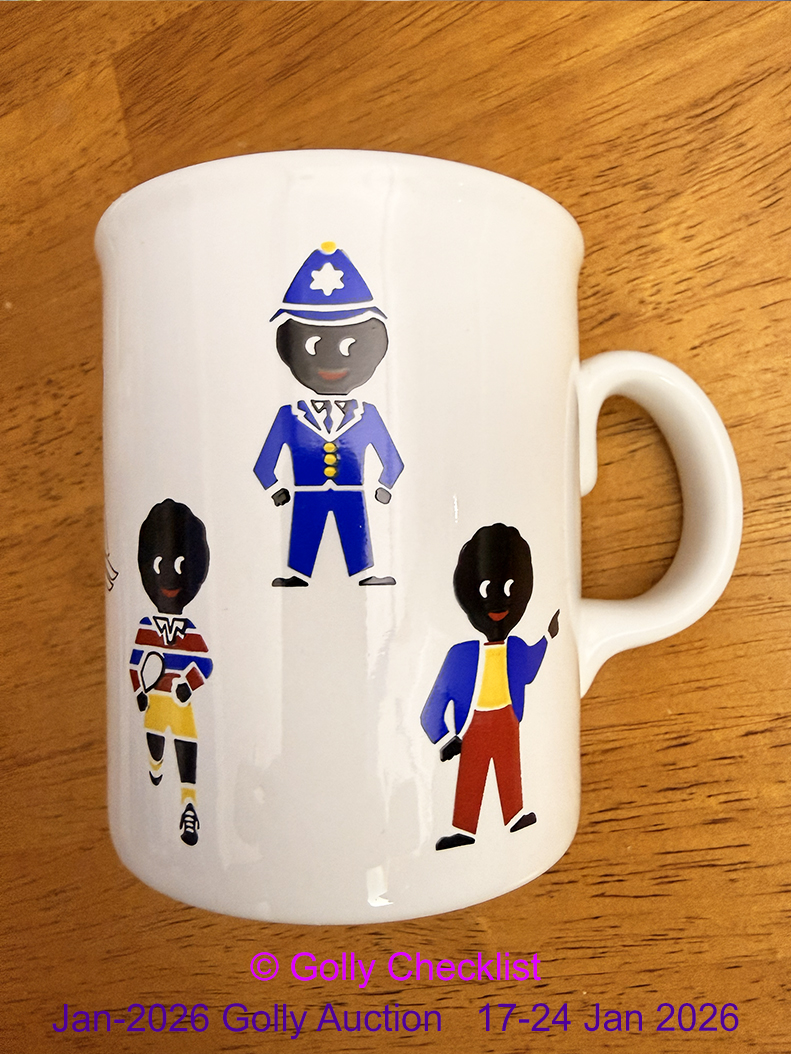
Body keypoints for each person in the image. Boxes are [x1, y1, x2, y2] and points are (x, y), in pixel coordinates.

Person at [254, 243, 403, 586]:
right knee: (303, 536)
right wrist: (275, 489)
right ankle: (296, 576)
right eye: (312, 345)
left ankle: (365, 574)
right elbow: (264, 462)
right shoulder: (289, 416)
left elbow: (392, 459)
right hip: (307, 493)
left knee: (356, 535)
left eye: (351, 345)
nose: (331, 359)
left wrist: (384, 486)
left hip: (352, 493)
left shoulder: (367, 415)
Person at [420, 523, 559, 850]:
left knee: (510, 769)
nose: (498, 601)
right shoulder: (461, 655)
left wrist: (550, 636)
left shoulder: (516, 648)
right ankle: (464, 829)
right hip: (475, 724)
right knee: (472, 774)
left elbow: (531, 666)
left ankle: (515, 815)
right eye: (485, 589)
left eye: (511, 588)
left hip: (507, 719)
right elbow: (433, 707)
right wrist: (444, 738)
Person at [129, 499, 212, 846]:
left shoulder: (190, 631)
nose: (170, 576)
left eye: (181, 565)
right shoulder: (146, 627)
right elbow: (135, 662)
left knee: (186, 745)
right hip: (154, 700)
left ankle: (189, 804)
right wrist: (139, 690)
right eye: (160, 564)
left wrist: (187, 686)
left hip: (180, 702)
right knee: (154, 739)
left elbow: (204, 663)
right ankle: (154, 765)